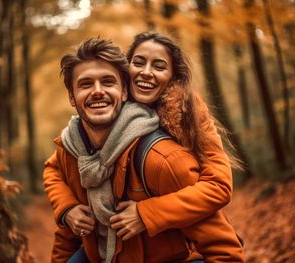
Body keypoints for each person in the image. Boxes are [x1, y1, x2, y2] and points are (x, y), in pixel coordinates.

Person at [43, 37, 245, 262]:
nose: (147, 73)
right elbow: (54, 170)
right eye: (139, 63)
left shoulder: (174, 137)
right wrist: (67, 209)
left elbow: (218, 186)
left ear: (123, 90)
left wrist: (147, 213)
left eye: (159, 66)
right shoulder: (76, 143)